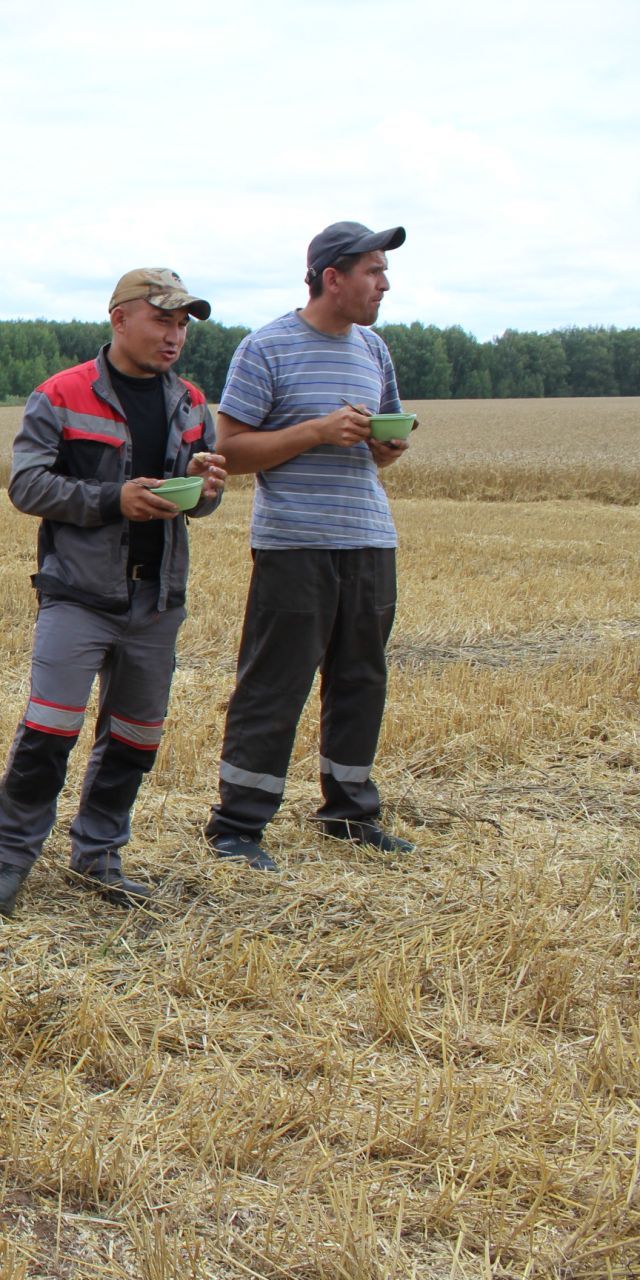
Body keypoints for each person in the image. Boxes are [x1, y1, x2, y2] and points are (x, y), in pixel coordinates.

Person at [0, 269, 228, 919]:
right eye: (162, 320)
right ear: (120, 320)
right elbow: (27, 487)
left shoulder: (192, 403)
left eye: (183, 324)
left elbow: (200, 501)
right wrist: (114, 499)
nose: (175, 336)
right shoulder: (60, 396)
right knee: (48, 732)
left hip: (158, 600)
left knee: (136, 739)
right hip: (78, 595)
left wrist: (207, 485)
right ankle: (10, 860)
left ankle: (99, 856)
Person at [202, 223, 416, 871]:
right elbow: (231, 452)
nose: (384, 283)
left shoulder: (374, 351)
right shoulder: (266, 348)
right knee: (273, 684)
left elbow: (381, 451)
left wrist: (385, 448)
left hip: (370, 539)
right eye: (374, 270)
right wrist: (317, 431)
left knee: (361, 679)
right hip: (294, 546)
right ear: (332, 277)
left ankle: (350, 813)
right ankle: (236, 826)